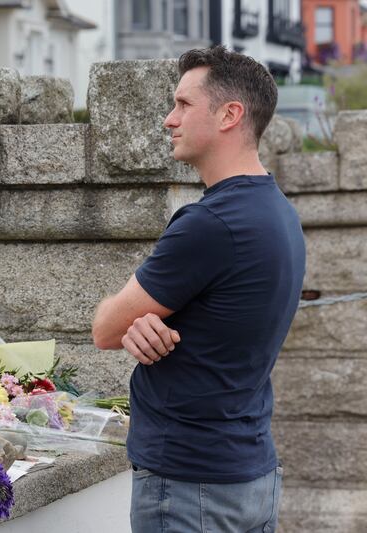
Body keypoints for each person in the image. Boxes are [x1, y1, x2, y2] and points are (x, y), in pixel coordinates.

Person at [91, 46, 305, 532]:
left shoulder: (211, 224)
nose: (169, 120)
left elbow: (104, 328)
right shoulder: (279, 213)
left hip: (190, 486)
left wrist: (133, 318)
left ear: (230, 114)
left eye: (184, 105)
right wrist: (146, 323)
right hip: (250, 474)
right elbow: (220, 325)